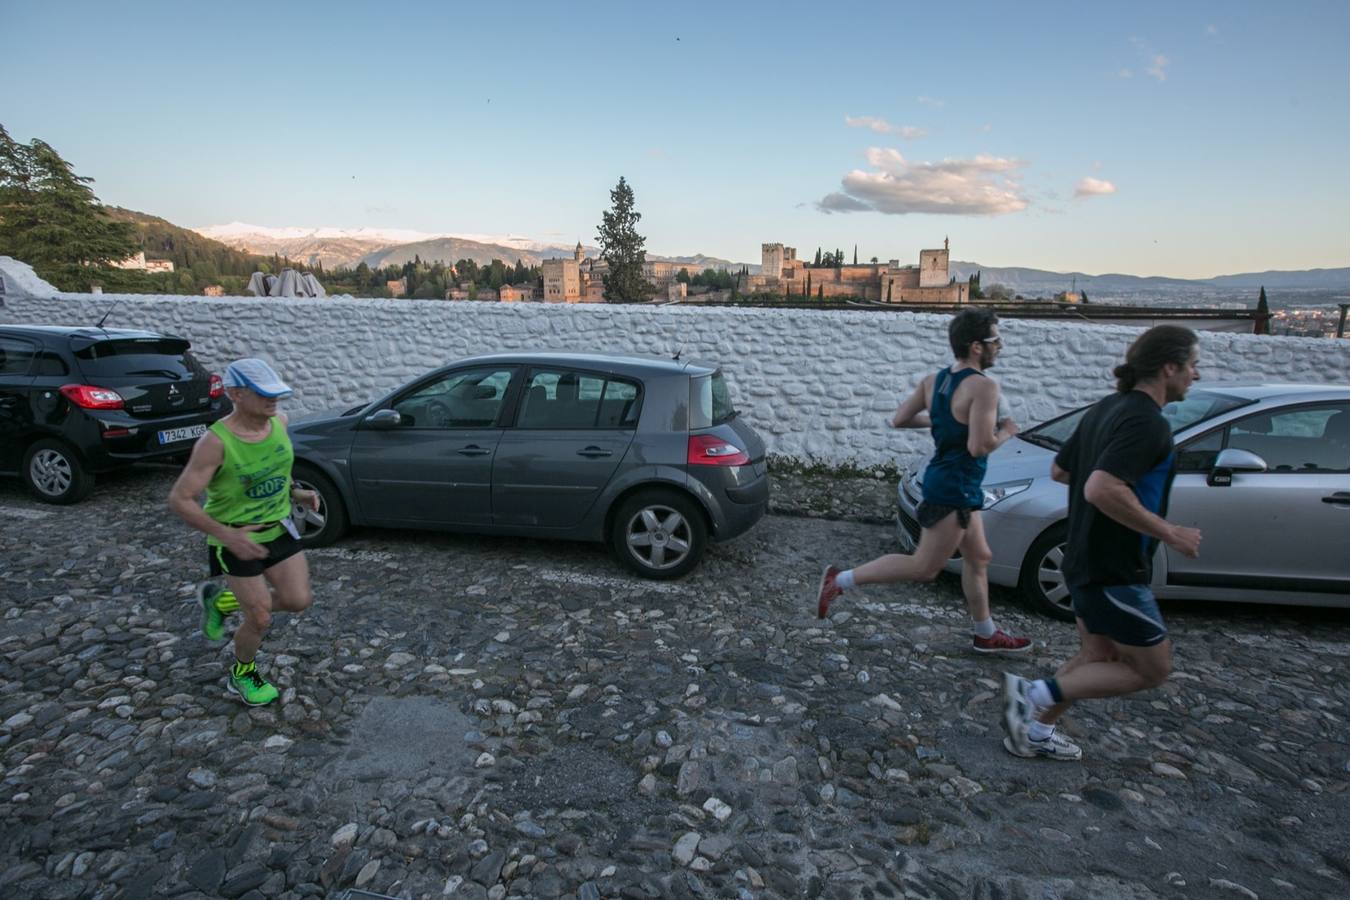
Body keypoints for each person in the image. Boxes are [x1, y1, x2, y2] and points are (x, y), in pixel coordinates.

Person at [1002, 325, 1203, 760]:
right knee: (1152, 669)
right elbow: (1099, 488)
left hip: (1083, 555)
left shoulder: (1106, 409)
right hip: (1116, 566)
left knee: (1098, 654)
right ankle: (1034, 695)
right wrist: (1169, 532)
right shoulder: (1149, 424)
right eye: (1192, 365)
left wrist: (1106, 480)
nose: (1196, 375)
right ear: (1169, 367)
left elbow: (1062, 471)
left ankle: (1034, 731)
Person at [815, 308, 1031, 654]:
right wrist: (1006, 432)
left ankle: (985, 632)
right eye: (995, 340)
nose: (1000, 346)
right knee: (923, 568)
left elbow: (900, 419)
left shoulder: (936, 380)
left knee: (979, 557)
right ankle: (838, 580)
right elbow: (979, 446)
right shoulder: (984, 388)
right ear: (976, 346)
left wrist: (945, 421)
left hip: (953, 484)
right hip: (954, 489)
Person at [168, 358, 318, 706]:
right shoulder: (215, 442)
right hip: (235, 537)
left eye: (276, 393)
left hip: (278, 526)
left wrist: (296, 492)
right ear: (235, 394)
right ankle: (242, 673)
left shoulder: (279, 422)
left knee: (298, 600)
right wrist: (227, 535)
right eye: (263, 394)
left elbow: (275, 470)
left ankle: (221, 602)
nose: (273, 401)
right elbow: (181, 498)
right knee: (261, 616)